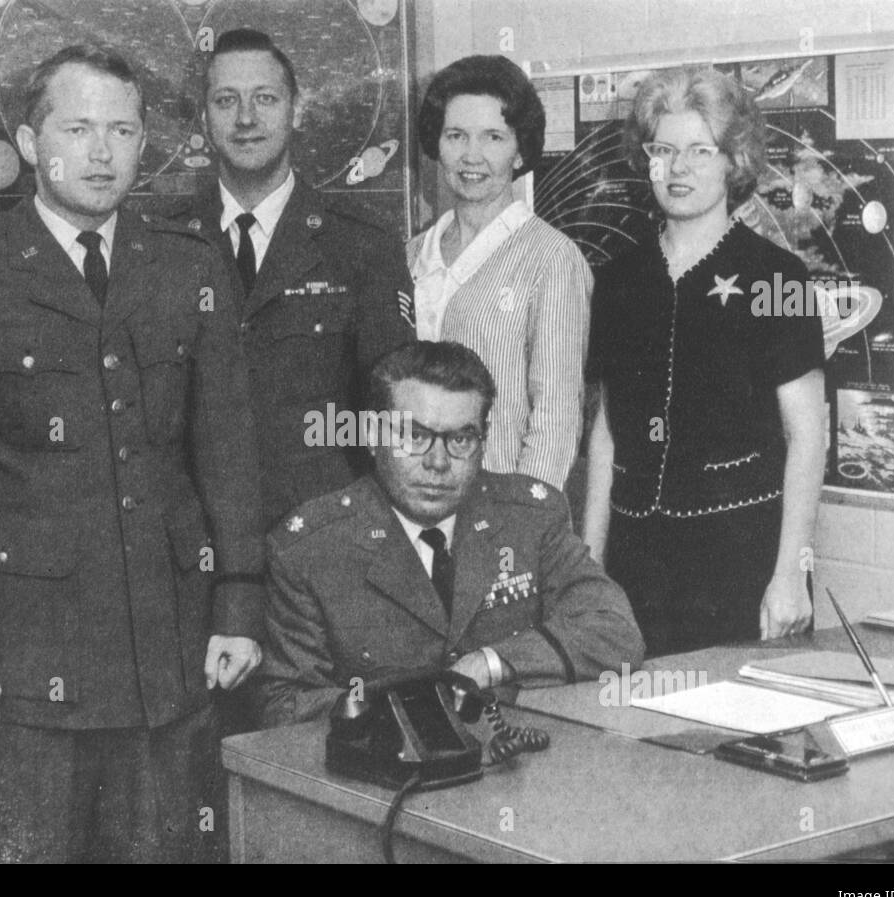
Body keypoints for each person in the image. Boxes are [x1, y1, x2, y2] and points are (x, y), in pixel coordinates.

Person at [0, 45, 265, 863]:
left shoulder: (188, 267)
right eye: (79, 127)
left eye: (123, 130)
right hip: (23, 675)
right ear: (30, 144)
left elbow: (228, 453)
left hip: (168, 661)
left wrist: (237, 602)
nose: (102, 153)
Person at [256, 340, 643, 727]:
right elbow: (286, 706)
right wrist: (415, 709)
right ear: (373, 434)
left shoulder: (530, 518)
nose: (437, 462)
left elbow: (615, 631)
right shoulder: (311, 549)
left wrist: (492, 663)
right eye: (413, 435)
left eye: (460, 439)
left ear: (482, 441)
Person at [582, 66, 826, 658]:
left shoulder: (780, 277)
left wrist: (790, 573)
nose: (680, 167)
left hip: (741, 558)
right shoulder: (617, 280)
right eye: (663, 149)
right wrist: (587, 566)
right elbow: (609, 434)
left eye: (700, 149)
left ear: (732, 161)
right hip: (636, 562)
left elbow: (809, 438)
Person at [171, 28, 414, 529]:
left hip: (325, 535)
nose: (245, 118)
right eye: (225, 100)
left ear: (296, 110)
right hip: (197, 542)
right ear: (204, 118)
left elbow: (389, 412)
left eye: (265, 98)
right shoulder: (164, 246)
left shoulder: (363, 244)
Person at [407, 55, 592, 490]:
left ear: (520, 148)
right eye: (456, 135)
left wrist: (524, 521)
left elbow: (556, 419)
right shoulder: (412, 255)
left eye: (493, 136)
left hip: (499, 509)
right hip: (412, 504)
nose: (472, 155)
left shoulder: (552, 258)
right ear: (437, 143)